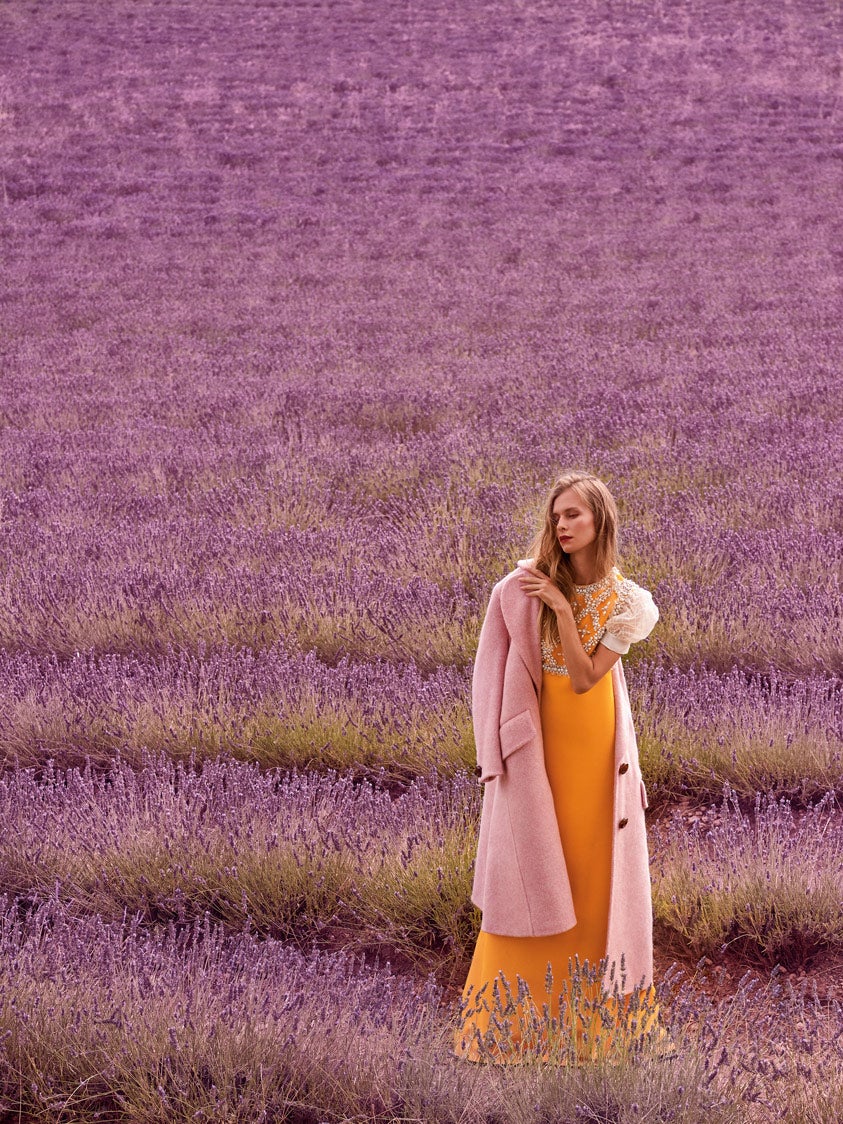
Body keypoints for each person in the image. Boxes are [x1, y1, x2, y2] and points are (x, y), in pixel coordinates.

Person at [453, 470, 664, 1065]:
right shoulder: (519, 589)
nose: (562, 526)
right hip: (538, 750)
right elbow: (489, 678)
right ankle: (509, 1032)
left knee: (596, 876)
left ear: (600, 521)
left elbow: (585, 677)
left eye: (573, 515)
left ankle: (596, 1037)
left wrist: (565, 614)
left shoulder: (628, 602)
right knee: (533, 872)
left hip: (594, 752)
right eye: (556, 515)